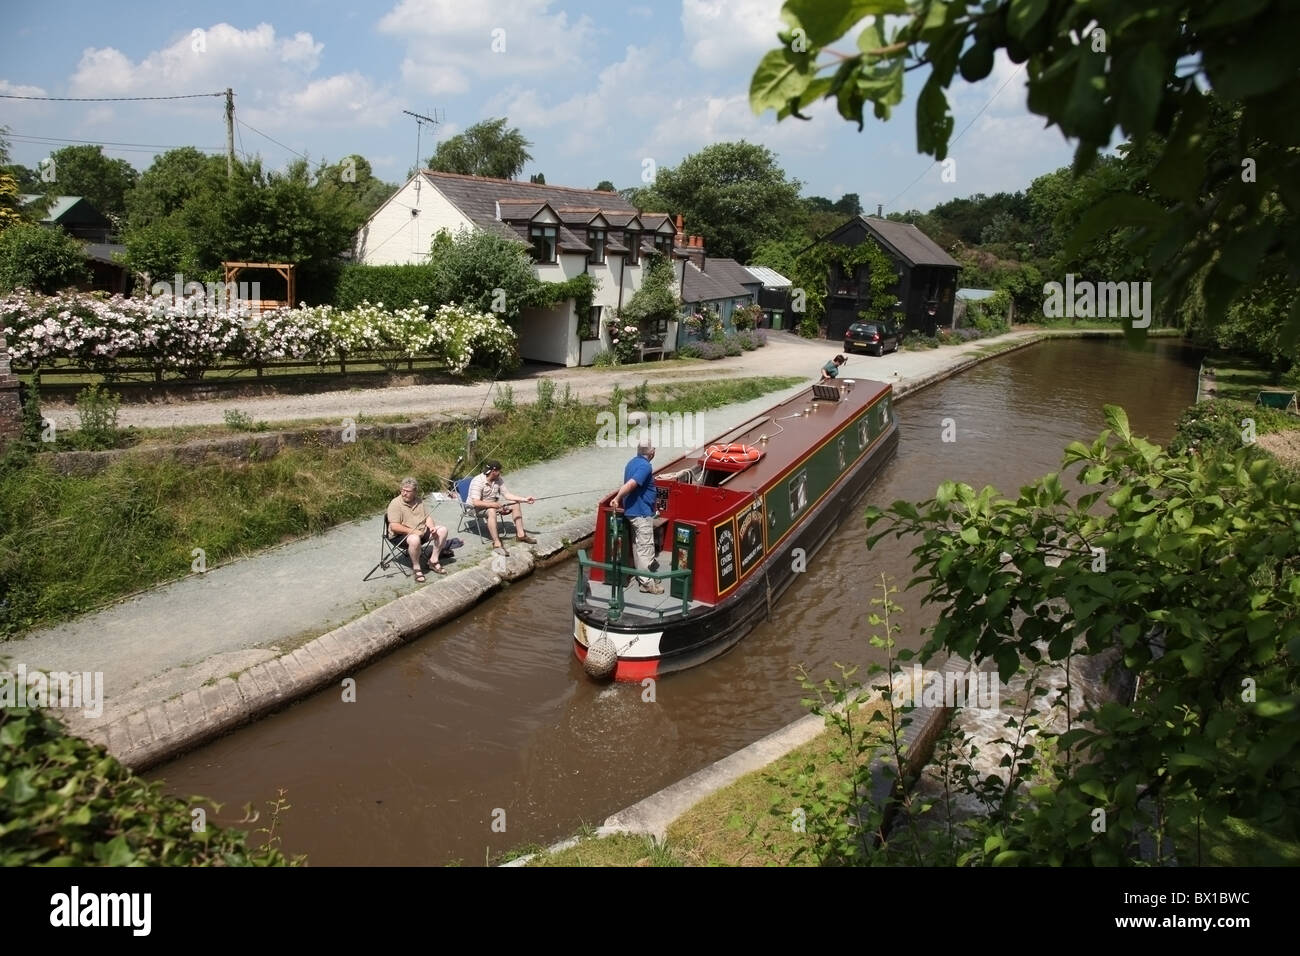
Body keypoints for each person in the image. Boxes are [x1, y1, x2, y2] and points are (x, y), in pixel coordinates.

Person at [611, 438, 662, 594]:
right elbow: (632, 484)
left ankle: (646, 576)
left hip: (633, 512)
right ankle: (647, 584)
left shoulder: (631, 462)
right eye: (654, 449)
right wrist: (617, 498)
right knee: (645, 547)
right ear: (651, 452)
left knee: (639, 546)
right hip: (641, 512)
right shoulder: (645, 466)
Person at [467, 460, 537, 555]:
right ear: (493, 471)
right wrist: (493, 505)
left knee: (515, 503)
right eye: (499, 470)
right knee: (491, 511)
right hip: (474, 509)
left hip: (492, 504)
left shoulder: (498, 479)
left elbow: (507, 495)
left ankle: (521, 535)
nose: (500, 473)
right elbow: (476, 503)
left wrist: (524, 499)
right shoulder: (478, 481)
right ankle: (496, 543)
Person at [387, 477, 449, 583]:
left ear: (415, 491)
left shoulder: (419, 501)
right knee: (415, 539)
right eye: (403, 490)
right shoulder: (395, 503)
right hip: (400, 536)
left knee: (442, 530)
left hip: (421, 531)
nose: (404, 493)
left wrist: (432, 527)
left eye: (408, 491)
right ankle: (416, 568)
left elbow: (427, 517)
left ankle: (433, 561)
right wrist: (413, 531)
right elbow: (394, 527)